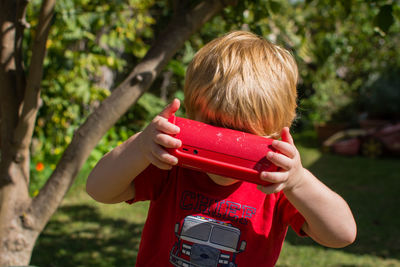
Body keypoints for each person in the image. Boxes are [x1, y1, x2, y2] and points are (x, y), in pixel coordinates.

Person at [86, 31, 356, 266]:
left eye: (244, 135)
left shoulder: (276, 184)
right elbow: (99, 189)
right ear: (193, 117)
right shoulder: (172, 164)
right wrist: (141, 147)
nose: (227, 146)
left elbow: (342, 234)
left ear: (275, 134)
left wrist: (297, 181)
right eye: (215, 127)